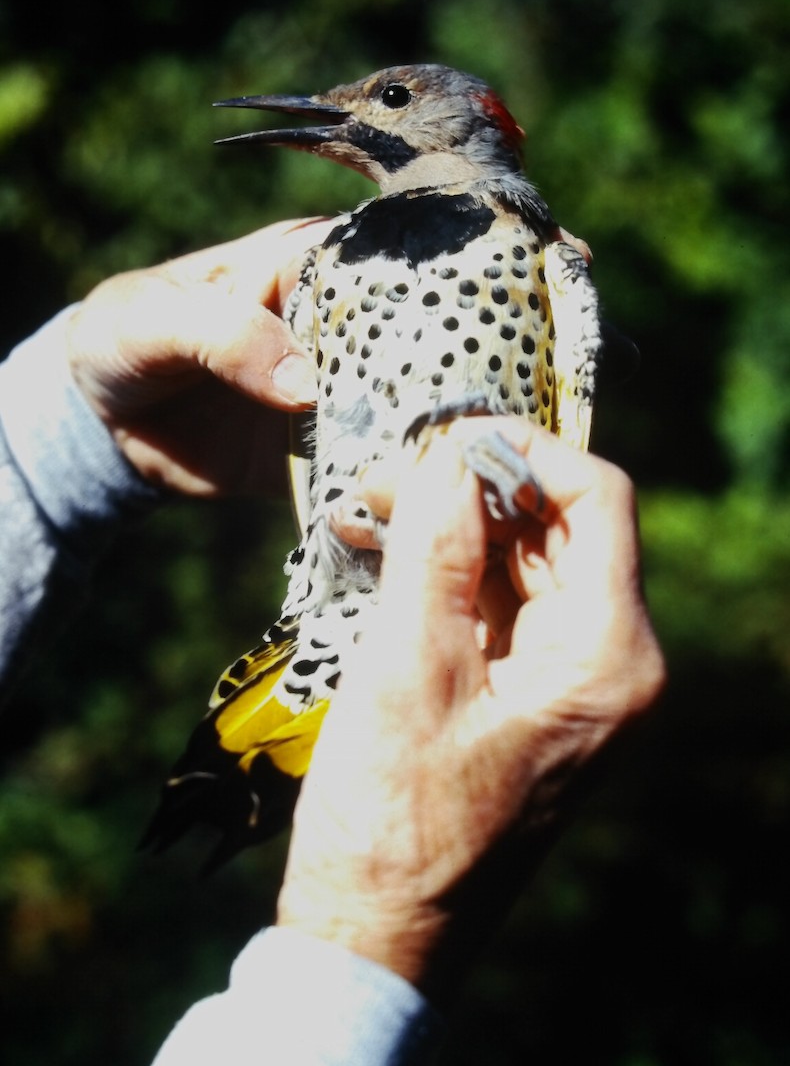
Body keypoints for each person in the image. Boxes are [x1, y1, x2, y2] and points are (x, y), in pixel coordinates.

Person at [0, 219, 665, 1064]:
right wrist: (370, 932)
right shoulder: (330, 261)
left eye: (386, 100)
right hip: (346, 572)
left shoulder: (545, 267)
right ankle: (258, 760)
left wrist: (71, 433)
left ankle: (255, 759)